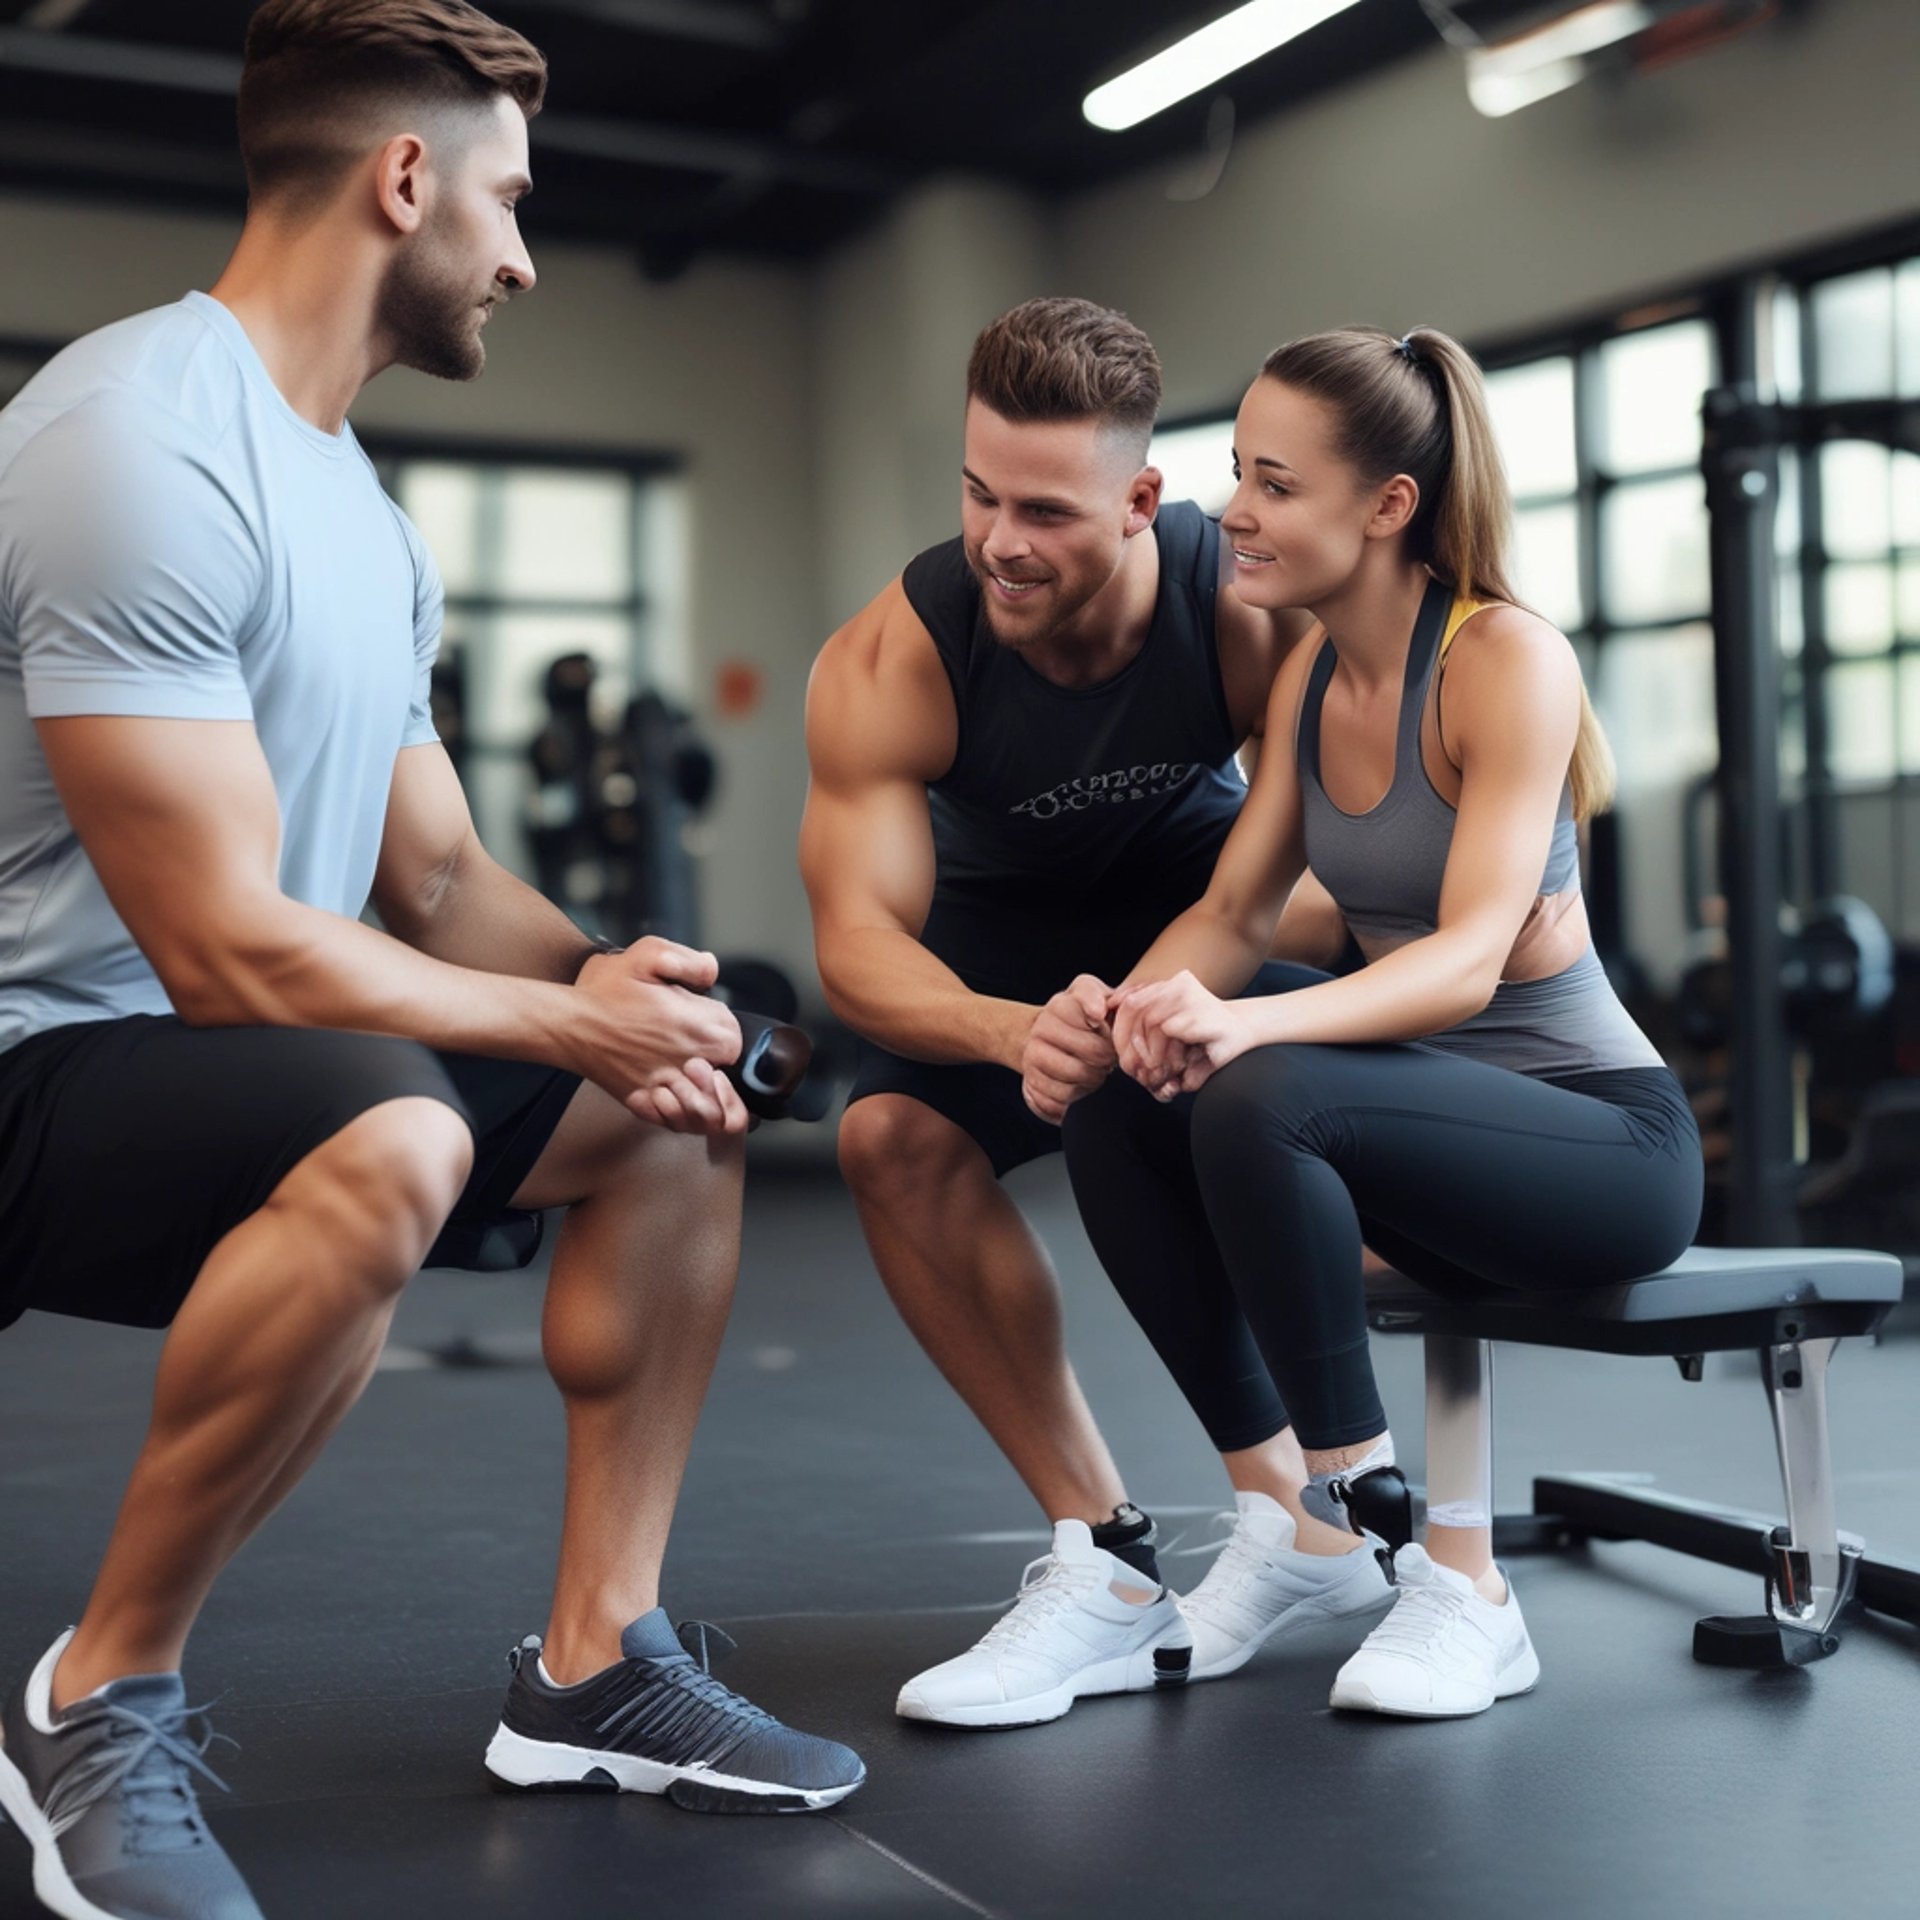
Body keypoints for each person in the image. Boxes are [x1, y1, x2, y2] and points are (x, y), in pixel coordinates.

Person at [0, 6, 860, 1916]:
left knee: (669, 1112)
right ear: (406, 180)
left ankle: (594, 1664)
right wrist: (570, 1017)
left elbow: (443, 866)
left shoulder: (362, 518)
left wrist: (654, 999)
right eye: (510, 200)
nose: (528, 255)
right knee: (396, 1130)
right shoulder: (133, 441)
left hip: (236, 1053)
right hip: (39, 1065)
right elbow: (220, 947)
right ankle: (95, 1692)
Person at [1053, 324, 1705, 1718]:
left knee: (1261, 1081)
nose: (1236, 510)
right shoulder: (1305, 682)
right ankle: (1298, 1520)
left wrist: (1245, 1034)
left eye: (1275, 484)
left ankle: (1427, 1562)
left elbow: (1469, 960)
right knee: (1133, 1081)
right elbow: (1232, 919)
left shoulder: (1501, 658)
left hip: (1606, 1145)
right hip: (1417, 1104)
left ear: (1388, 505)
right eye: (1239, 473)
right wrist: (1139, 1009)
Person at [800, 296, 1392, 1731]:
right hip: (1001, 940)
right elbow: (857, 944)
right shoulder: (898, 655)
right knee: (885, 1136)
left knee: (1267, 1068)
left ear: (1140, 500)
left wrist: (1191, 992)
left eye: (1047, 512)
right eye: (979, 493)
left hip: (1214, 902)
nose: (1001, 539)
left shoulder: (1242, 610)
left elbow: (1341, 875)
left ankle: (1316, 1505)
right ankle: (1109, 1554)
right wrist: (1017, 1032)